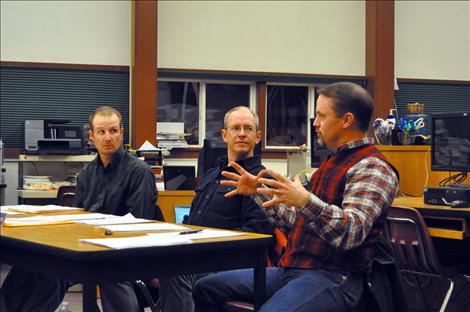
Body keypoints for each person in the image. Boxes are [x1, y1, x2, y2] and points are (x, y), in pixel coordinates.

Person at [192, 82, 400, 312]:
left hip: (335, 277)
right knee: (205, 288)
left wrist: (304, 200)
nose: (315, 123)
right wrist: (258, 193)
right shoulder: (331, 162)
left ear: (346, 120)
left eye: (321, 115)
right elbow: (301, 225)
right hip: (292, 269)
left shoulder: (372, 167)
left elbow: (352, 231)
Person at [1, 106, 159, 312]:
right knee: (33, 265)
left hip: (121, 252)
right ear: (92, 136)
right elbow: (77, 218)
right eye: (101, 132)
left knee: (60, 272)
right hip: (86, 247)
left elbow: (139, 223)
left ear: (121, 132)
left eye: (113, 131)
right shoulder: (87, 173)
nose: (108, 137)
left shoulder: (140, 172)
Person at [159, 106, 274, 312]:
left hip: (231, 264)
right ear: (224, 135)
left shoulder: (262, 180)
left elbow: (256, 234)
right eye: (235, 128)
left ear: (257, 137)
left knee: (174, 269)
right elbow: (192, 221)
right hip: (197, 255)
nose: (241, 133)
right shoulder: (210, 176)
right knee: (151, 258)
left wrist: (207, 244)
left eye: (248, 129)